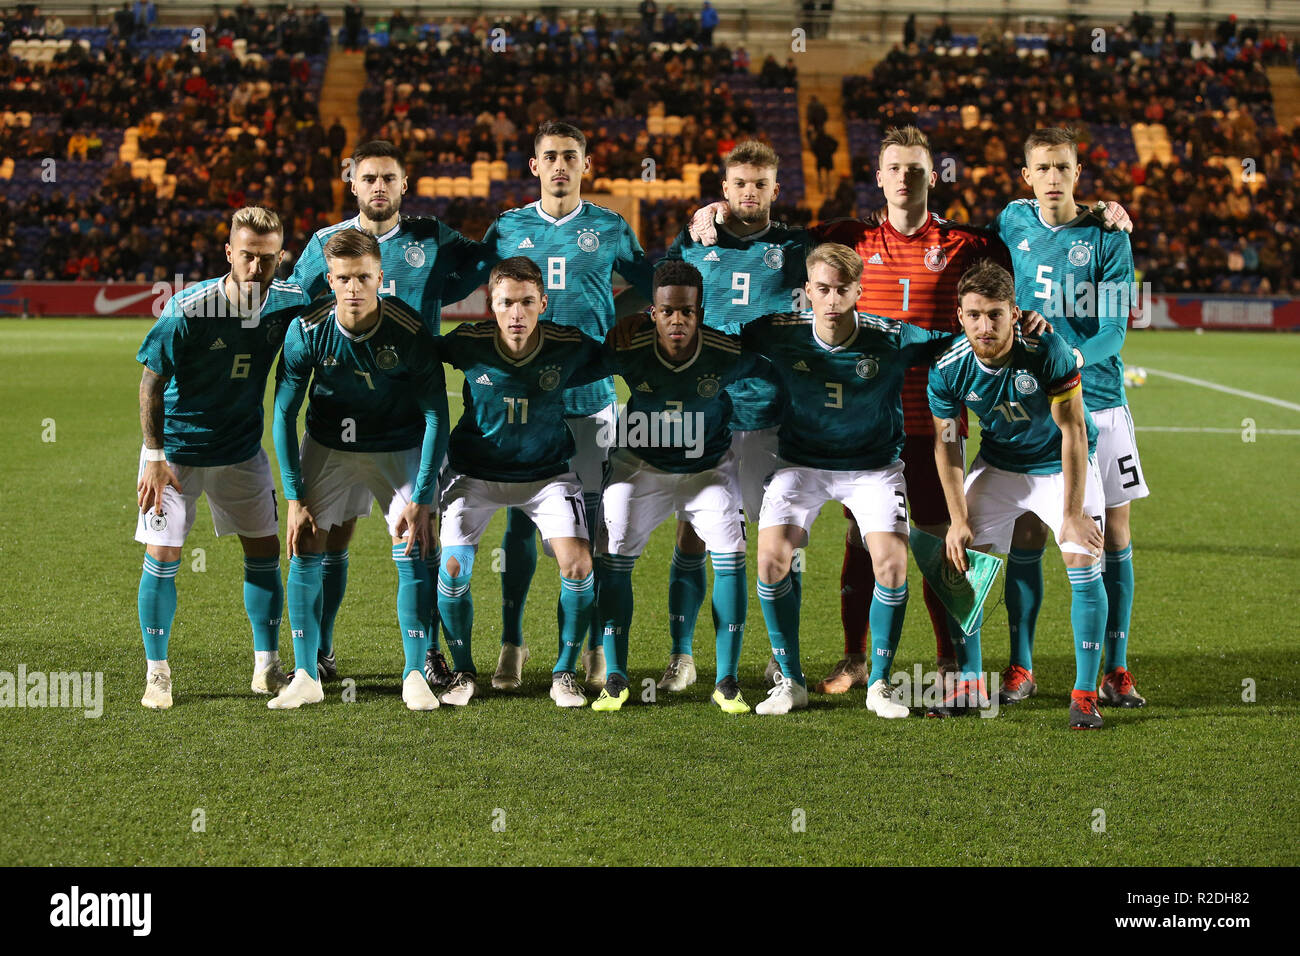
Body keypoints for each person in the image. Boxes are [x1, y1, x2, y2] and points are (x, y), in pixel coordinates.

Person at [289, 140, 487, 688]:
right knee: (336, 536)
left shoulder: (431, 237)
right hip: (341, 421)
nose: (379, 186)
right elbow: (290, 303)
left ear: (405, 184)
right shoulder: (324, 244)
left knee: (420, 537)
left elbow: (488, 258)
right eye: (368, 177)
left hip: (411, 421)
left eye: (389, 178)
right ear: (352, 183)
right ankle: (322, 651)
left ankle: (426, 659)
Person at [467, 122, 655, 692]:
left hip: (592, 400)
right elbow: (479, 284)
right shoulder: (507, 228)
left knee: (594, 527)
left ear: (586, 165)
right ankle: (512, 643)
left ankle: (594, 647)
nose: (559, 167)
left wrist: (615, 321)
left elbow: (654, 283)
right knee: (521, 522)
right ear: (534, 165)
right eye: (549, 157)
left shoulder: (609, 226)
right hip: (526, 402)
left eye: (569, 157)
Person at [739, 243, 955, 716]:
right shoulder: (779, 332)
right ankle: (790, 681)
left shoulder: (892, 337)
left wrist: (1016, 325)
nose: (832, 299)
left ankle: (879, 685)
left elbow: (956, 341)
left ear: (859, 290)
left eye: (842, 289)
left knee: (893, 565)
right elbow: (713, 336)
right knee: (772, 559)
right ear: (807, 292)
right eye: (822, 289)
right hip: (801, 466)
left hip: (873, 470)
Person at [994, 127, 1148, 708]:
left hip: (1101, 400)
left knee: (1113, 532)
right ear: (1027, 175)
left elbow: (1114, 328)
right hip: (1034, 403)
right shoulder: (1011, 222)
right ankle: (1021, 667)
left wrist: (1073, 358)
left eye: (1063, 167)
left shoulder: (1108, 233)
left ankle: (1115, 668)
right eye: (1043, 168)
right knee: (1028, 530)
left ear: (1077, 173)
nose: (1053, 178)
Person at [134, 206, 309, 710]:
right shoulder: (189, 309)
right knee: (163, 556)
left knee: (264, 553)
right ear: (229, 253)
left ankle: (266, 667)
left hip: (240, 451)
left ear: (281, 257)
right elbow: (151, 379)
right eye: (248, 256)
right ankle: (158, 673)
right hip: (178, 455)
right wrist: (153, 456)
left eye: (268, 259)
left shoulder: (285, 304)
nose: (257, 268)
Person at [269, 228, 448, 711]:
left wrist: (424, 496)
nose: (353, 288)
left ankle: (415, 673)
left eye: (363, 277)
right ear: (329, 279)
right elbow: (283, 413)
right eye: (343, 278)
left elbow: (437, 415)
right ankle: (307, 672)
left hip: (398, 445)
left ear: (380, 278)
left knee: (414, 542)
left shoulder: (409, 330)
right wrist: (294, 497)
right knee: (305, 541)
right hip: (329, 445)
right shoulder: (306, 330)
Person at [929, 259, 1109, 728]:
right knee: (959, 560)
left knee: (1082, 555)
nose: (984, 326)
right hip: (1002, 465)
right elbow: (947, 446)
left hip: (1060, 464)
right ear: (960, 316)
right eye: (974, 315)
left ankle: (1086, 693)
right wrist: (958, 519)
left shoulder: (1049, 350)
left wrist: (1071, 514)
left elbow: (1074, 433)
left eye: (995, 314)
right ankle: (969, 684)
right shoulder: (948, 368)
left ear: (1014, 312)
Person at [661, 140, 814, 692]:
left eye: (761, 184)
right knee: (692, 536)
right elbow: (659, 295)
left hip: (773, 418)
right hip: (709, 414)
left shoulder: (799, 246)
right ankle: (681, 657)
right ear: (723, 190)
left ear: (776, 189)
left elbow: (852, 246)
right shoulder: (694, 240)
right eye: (740, 183)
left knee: (781, 545)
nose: (751, 192)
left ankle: (782, 657)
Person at [434, 257, 610, 709]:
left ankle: (564, 672)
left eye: (528, 302)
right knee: (452, 571)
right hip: (475, 474)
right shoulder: (467, 342)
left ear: (543, 303)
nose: (517, 313)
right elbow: (417, 358)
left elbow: (620, 356)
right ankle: (462, 671)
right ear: (489, 304)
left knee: (579, 565)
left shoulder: (567, 344)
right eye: (507, 302)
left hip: (547, 476)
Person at [592, 261, 764, 713]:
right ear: (653, 311)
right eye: (667, 311)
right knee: (615, 558)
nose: (677, 321)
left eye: (687, 312)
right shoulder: (630, 345)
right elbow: (573, 367)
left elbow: (779, 371)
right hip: (640, 466)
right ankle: (615, 677)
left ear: (700, 311)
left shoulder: (726, 351)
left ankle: (726, 681)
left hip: (708, 469)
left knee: (731, 556)